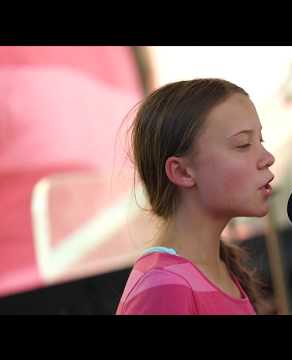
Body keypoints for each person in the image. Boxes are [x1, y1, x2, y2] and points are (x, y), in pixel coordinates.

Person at [116, 78, 276, 315]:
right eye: (243, 144)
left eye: (259, 141)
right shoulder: (164, 287)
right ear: (182, 172)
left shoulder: (221, 270)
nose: (268, 158)